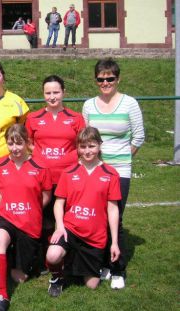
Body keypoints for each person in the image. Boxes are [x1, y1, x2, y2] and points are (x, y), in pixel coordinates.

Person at [82, 58, 145, 289]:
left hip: (120, 171)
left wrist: (122, 158)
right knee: (98, 219)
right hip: (96, 170)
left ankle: (118, 269)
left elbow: (139, 137)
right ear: (96, 80)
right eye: (101, 79)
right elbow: (87, 137)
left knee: (115, 217)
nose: (105, 82)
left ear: (118, 79)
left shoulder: (130, 104)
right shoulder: (89, 105)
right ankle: (104, 264)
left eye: (110, 78)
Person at [45, 127, 121, 297]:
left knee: (92, 285)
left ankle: (75, 264)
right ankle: (57, 277)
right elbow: (59, 203)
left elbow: (113, 208)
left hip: (95, 237)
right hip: (71, 229)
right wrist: (60, 227)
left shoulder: (110, 173)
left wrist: (114, 242)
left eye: (92, 146)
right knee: (52, 255)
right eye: (83, 146)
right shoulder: (69, 172)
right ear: (77, 148)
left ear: (100, 146)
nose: (87, 151)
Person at [0, 124, 52, 311]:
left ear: (27, 143)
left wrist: (32, 209)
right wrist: (3, 206)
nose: (14, 148)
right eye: (10, 143)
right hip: (6, 217)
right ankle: (1, 296)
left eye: (19, 143)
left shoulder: (40, 166)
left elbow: (47, 194)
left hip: (29, 222)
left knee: (21, 277)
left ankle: (12, 258)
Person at [25, 75, 85, 267]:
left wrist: (66, 160)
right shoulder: (33, 118)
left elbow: (82, 145)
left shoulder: (76, 118)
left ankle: (68, 256)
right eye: (48, 93)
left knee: (68, 218)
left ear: (63, 93)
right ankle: (43, 258)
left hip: (67, 178)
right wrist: (41, 157)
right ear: (43, 94)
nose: (52, 97)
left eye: (56, 92)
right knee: (42, 218)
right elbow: (28, 142)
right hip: (42, 178)